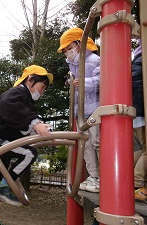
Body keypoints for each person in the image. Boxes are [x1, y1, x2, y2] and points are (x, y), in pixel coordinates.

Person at [0, 65, 54, 225]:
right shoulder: (17, 93)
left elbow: (17, 123)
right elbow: (13, 108)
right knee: (29, 153)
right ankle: (5, 185)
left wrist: (38, 132)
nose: (42, 91)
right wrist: (35, 124)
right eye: (42, 87)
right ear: (30, 80)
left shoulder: (24, 101)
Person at [57, 27, 100, 193]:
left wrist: (84, 83)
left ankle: (104, 177)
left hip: (94, 110)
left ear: (80, 44)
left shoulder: (93, 60)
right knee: (86, 146)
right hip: (81, 111)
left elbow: (102, 80)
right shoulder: (73, 66)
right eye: (65, 50)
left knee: (96, 143)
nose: (68, 52)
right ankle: (94, 176)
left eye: (70, 48)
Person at [131, 39, 147, 202]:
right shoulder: (146, 57)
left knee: (140, 148)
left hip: (136, 111)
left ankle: (129, 179)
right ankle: (138, 183)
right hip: (143, 111)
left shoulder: (137, 58)